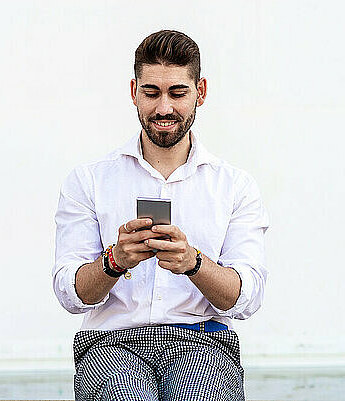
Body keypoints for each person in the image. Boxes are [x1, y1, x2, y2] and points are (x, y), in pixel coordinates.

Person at [52, 30, 269, 401]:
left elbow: (245, 298)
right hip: (110, 344)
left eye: (178, 93)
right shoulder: (89, 180)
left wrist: (194, 263)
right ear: (134, 91)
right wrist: (114, 260)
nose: (164, 108)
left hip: (203, 341)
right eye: (151, 93)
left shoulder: (235, 186)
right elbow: (71, 295)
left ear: (200, 91)